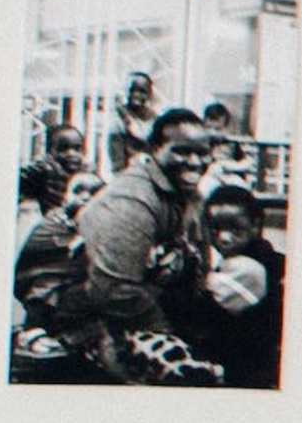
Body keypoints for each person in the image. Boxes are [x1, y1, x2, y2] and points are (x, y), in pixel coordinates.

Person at [58, 106, 221, 383]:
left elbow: (198, 263)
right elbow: (113, 289)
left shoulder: (187, 193)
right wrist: (171, 333)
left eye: (202, 152)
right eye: (181, 151)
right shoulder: (133, 198)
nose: (194, 162)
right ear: (155, 148)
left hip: (147, 302)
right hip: (99, 317)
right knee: (181, 376)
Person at [173, 184, 284, 390]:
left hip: (244, 371)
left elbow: (201, 315)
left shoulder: (247, 268)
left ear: (256, 225)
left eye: (235, 228)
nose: (224, 237)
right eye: (215, 229)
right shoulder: (266, 259)